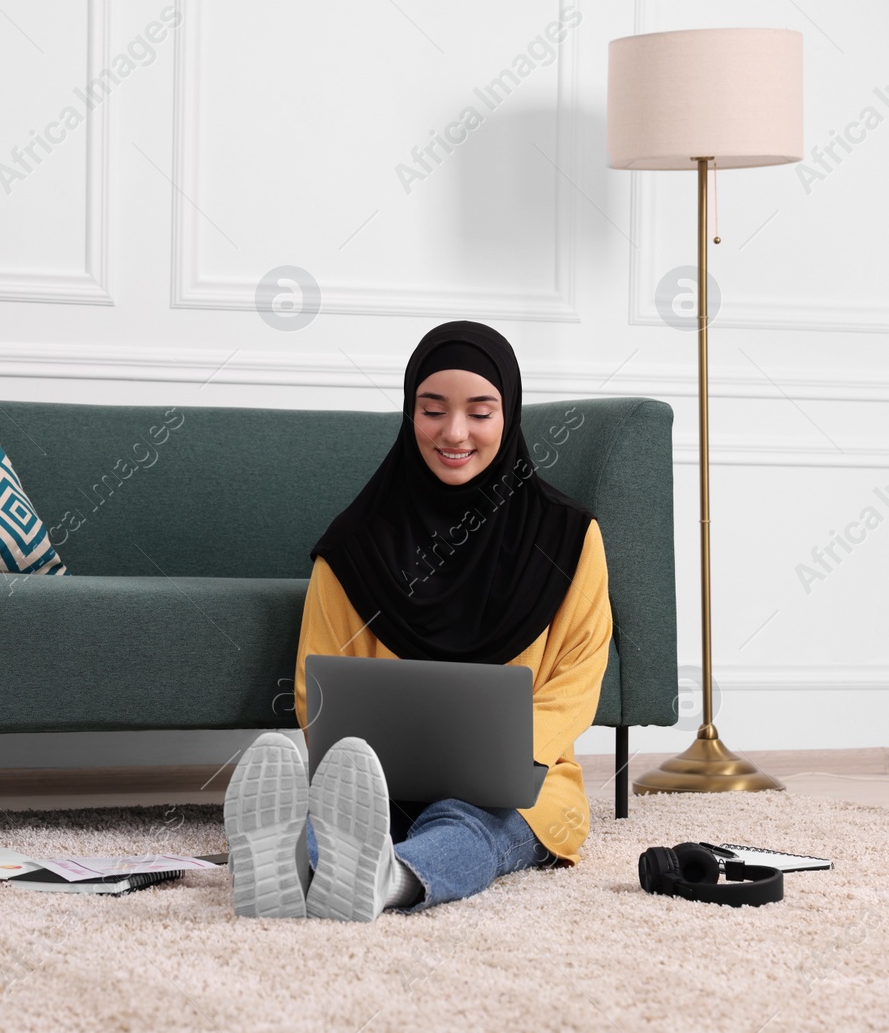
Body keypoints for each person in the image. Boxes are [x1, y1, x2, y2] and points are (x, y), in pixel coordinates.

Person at [224, 320, 612, 921]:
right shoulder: (356, 544)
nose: (454, 433)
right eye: (433, 410)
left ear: (508, 416)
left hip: (518, 785)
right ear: (410, 415)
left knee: (474, 822)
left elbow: (577, 679)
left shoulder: (568, 537)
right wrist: (362, 763)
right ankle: (297, 863)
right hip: (372, 779)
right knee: (334, 810)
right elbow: (316, 684)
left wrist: (509, 757)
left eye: (480, 412)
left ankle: (387, 880)